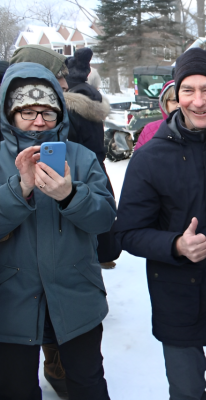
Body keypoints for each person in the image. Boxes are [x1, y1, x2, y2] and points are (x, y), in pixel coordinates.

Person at [113, 48, 206, 400]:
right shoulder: (150, 158)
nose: (198, 101)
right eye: (188, 91)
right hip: (176, 293)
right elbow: (127, 232)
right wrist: (175, 245)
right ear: (176, 96)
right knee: (187, 391)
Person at [0, 62, 116, 400]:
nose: (39, 121)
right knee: (15, 389)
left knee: (88, 384)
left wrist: (70, 195)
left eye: (48, 112)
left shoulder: (80, 157)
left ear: (60, 113)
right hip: (12, 301)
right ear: (10, 113)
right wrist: (17, 191)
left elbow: (105, 219)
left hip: (76, 297)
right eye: (27, 112)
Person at [65, 48, 120, 270]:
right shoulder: (93, 99)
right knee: (101, 203)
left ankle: (93, 256)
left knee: (81, 206)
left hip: (77, 164)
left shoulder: (69, 107)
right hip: (97, 160)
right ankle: (106, 254)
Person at [134, 80, 177, 150]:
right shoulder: (149, 130)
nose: (180, 105)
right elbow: (139, 159)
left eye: (183, 100)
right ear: (165, 104)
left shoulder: (199, 131)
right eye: (174, 100)